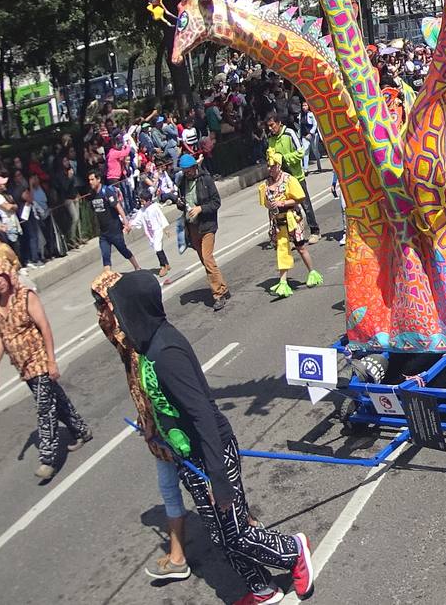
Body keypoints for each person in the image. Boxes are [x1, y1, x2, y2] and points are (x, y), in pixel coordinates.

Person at [106, 270, 316, 604]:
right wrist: (157, 431)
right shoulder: (146, 347)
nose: (118, 318)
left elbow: (201, 413)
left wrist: (218, 477)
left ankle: (294, 551)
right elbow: (165, 404)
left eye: (120, 310)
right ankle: (262, 589)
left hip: (211, 452)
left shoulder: (166, 351)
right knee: (221, 537)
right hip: (188, 456)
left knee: (237, 533)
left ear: (136, 309)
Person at [90, 269, 191, 582]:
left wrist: (156, 424)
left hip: (175, 429)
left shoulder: (139, 335)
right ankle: (179, 556)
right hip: (156, 428)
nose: (100, 313)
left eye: (103, 304)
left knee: (209, 486)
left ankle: (248, 530)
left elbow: (159, 388)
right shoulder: (122, 334)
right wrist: (145, 419)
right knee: (169, 487)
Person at [0, 254, 90, 481]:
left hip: (39, 361)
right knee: (57, 401)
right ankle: (81, 430)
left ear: (9, 276)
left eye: (1, 277)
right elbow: (0, 338)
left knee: (45, 410)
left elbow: (45, 327)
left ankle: (48, 459)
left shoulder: (26, 297)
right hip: (23, 367)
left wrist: (52, 361)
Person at [259, 152, 322, 298]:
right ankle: (283, 282)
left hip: (292, 219)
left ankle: (312, 272)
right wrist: (271, 204)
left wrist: (283, 203)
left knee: (300, 248)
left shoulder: (289, 179)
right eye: (268, 166)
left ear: (279, 166)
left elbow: (299, 198)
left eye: (272, 166)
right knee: (282, 250)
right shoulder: (266, 184)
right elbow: (265, 203)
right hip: (278, 221)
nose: (269, 169)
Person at [179, 154, 229, 309]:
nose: (187, 174)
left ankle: (218, 294)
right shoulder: (182, 182)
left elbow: (216, 202)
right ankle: (222, 286)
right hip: (192, 226)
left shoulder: (205, 179)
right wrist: (179, 203)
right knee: (205, 261)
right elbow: (182, 202)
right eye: (184, 171)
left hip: (207, 225)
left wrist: (200, 208)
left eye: (188, 170)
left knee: (208, 259)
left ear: (195, 167)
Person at [265, 112, 318, 241]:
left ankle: (315, 230)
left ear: (279, 123)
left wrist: (284, 159)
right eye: (268, 126)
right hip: (281, 180)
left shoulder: (289, 133)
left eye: (272, 125)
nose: (271, 128)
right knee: (287, 208)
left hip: (295, 176)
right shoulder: (271, 139)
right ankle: (294, 235)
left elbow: (301, 152)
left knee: (305, 204)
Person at [87, 169, 142, 271]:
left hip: (114, 229)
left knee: (123, 250)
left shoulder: (106, 191)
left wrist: (126, 223)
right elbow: (95, 212)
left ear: (98, 179)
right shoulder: (92, 195)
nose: (90, 182)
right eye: (89, 180)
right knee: (105, 256)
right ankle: (108, 279)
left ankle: (137, 267)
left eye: (92, 179)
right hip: (103, 233)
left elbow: (118, 207)